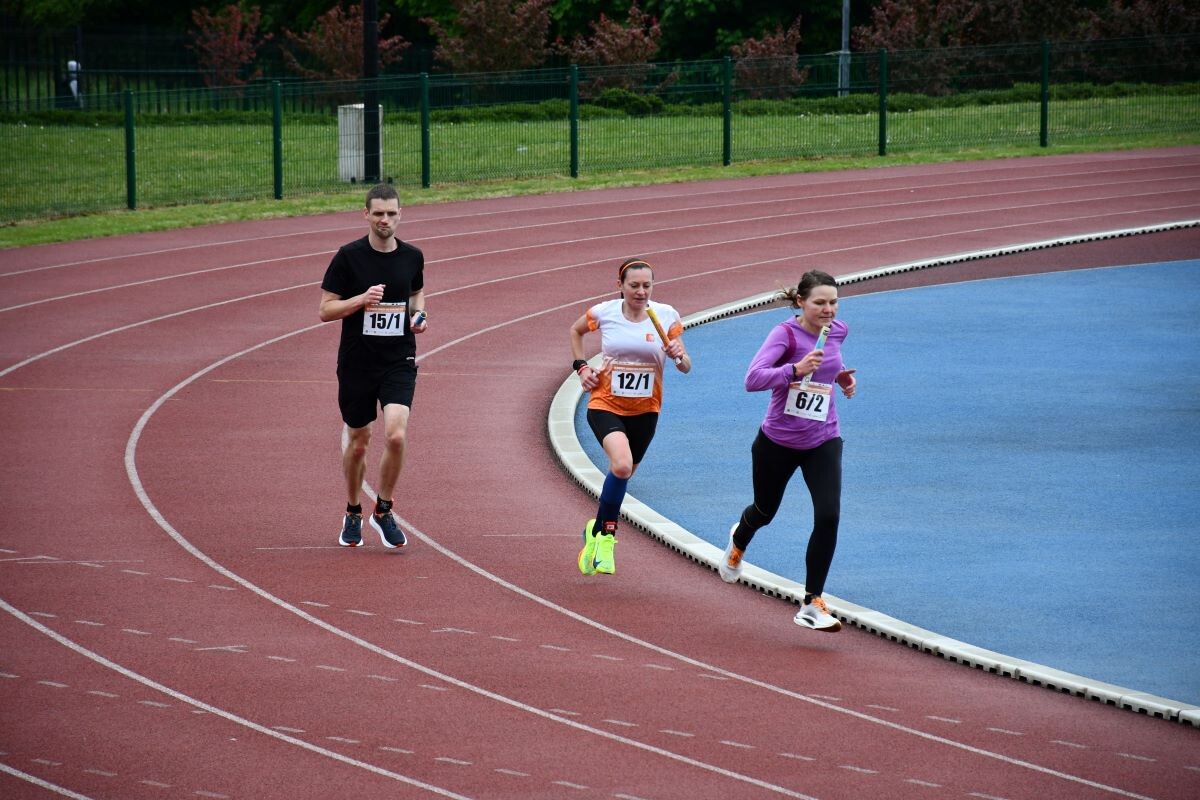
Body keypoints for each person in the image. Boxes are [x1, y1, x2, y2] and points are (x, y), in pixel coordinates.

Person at [720, 269, 857, 632]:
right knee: (765, 510)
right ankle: (739, 539)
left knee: (828, 515)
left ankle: (812, 602)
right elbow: (753, 379)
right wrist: (794, 370)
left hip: (823, 439)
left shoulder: (839, 330)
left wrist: (841, 376)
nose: (829, 310)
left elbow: (829, 363)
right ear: (801, 302)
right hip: (778, 441)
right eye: (820, 303)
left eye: (834, 302)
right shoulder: (784, 334)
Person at [318, 183, 428, 549]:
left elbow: (415, 293)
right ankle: (352, 510)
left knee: (396, 434)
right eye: (378, 213)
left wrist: (419, 315)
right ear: (365, 214)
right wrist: (361, 300)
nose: (385, 220)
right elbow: (325, 309)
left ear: (401, 215)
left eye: (391, 213)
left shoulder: (412, 256)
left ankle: (383, 508)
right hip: (357, 363)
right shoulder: (348, 257)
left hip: (398, 359)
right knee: (359, 442)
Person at [569, 258, 691, 575]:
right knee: (621, 465)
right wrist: (581, 367)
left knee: (623, 476)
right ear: (620, 286)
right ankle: (607, 538)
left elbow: (686, 365)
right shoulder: (604, 313)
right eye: (634, 285)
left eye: (646, 285)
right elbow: (575, 330)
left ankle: (594, 530)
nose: (640, 292)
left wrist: (679, 357)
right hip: (605, 403)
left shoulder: (666, 316)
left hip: (646, 410)